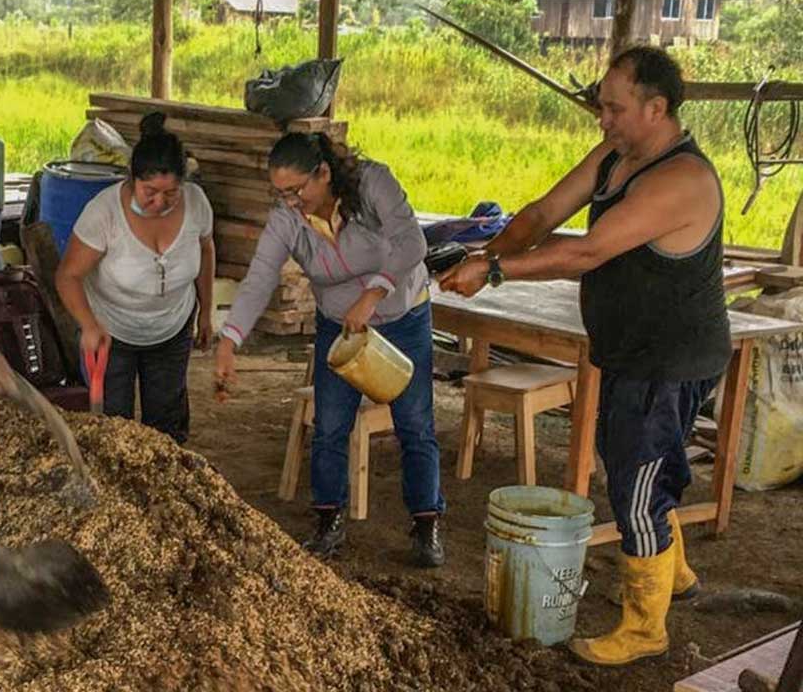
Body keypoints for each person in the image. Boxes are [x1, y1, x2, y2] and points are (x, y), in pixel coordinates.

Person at [440, 46, 729, 666]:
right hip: (630, 351)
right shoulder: (617, 157)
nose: (603, 119)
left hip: (669, 359)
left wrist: (491, 271)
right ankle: (672, 572)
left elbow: (587, 253)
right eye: (602, 106)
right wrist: (494, 244)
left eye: (614, 108)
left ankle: (645, 627)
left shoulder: (683, 179)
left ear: (657, 108)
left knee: (637, 482)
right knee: (634, 462)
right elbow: (546, 213)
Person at [214, 132, 446, 567]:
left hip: (402, 317)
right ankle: (328, 520)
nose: (290, 202)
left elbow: (413, 243)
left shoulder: (372, 182)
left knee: (414, 424)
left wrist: (374, 292)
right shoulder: (288, 219)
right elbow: (261, 276)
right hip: (340, 327)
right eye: (280, 193)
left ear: (324, 173)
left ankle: (426, 522)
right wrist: (230, 338)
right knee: (330, 425)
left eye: (298, 190)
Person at [55, 112, 216, 444]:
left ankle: (165, 490)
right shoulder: (104, 213)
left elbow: (207, 252)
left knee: (166, 426)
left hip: (172, 327)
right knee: (116, 428)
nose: (160, 202)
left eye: (171, 193)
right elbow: (68, 275)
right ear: (131, 179)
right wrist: (88, 324)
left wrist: (206, 314)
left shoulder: (197, 204)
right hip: (112, 332)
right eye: (150, 192)